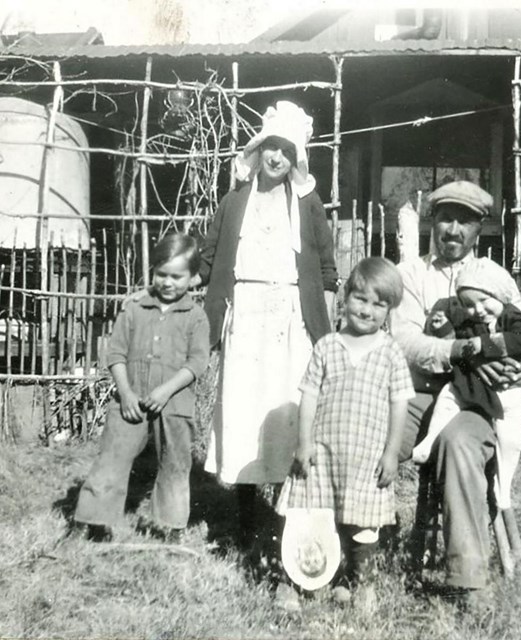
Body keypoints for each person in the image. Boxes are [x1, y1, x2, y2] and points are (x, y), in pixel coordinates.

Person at [196, 101, 338, 589]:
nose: (276, 157)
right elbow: (211, 254)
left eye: (285, 150)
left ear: (296, 157)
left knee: (285, 412)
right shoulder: (237, 199)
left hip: (290, 319)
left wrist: (324, 317)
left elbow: (324, 265)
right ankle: (245, 517)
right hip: (247, 317)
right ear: (257, 152)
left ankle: (283, 516)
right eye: (269, 148)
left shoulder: (307, 204)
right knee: (243, 410)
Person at [389, 180, 521, 596]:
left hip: (474, 402)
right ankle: (351, 550)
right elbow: (404, 342)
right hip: (419, 394)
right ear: (432, 222)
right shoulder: (411, 275)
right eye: (445, 219)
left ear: (480, 228)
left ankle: (468, 580)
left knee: (459, 444)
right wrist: (463, 350)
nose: (454, 230)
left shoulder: (497, 278)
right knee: (367, 436)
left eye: (465, 221)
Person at [276, 257, 414, 611]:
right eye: (360, 299)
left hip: (366, 456)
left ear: (389, 311)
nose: (366, 310)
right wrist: (304, 443)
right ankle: (293, 581)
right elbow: (309, 396)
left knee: (362, 521)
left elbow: (399, 405)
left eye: (378, 304)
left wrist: (390, 453)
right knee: (310, 514)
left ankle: (359, 584)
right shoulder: (327, 346)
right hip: (323, 453)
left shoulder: (391, 353)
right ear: (345, 297)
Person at [74, 233, 210, 542]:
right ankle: (95, 522)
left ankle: (171, 528)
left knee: (175, 463)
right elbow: (116, 354)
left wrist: (166, 391)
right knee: (112, 456)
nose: (168, 282)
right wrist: (125, 393)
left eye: (177, 276)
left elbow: (198, 362)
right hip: (130, 401)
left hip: (174, 405)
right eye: (161, 274)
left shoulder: (196, 317)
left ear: (192, 278)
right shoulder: (133, 309)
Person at [412, 257, 521, 512]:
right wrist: (446, 327)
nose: (478, 310)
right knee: (448, 397)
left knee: (511, 438)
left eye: (484, 301)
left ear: (500, 296)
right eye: (469, 305)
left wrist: (485, 345)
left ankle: (503, 486)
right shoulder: (472, 323)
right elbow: (458, 341)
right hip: (475, 387)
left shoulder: (514, 318)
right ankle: (429, 441)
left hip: (508, 389)